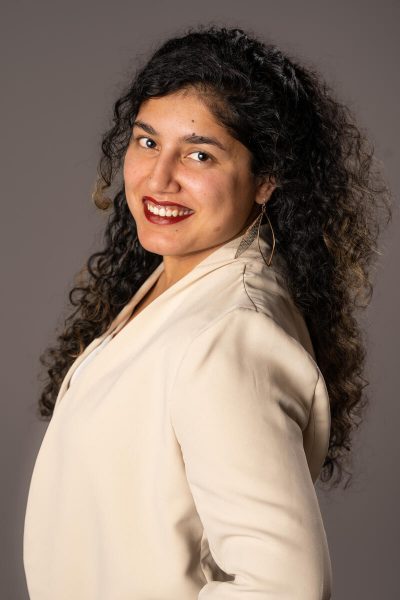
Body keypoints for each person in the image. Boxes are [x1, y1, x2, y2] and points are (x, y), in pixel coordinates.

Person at [23, 25, 391, 600]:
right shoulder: (180, 288)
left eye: (200, 154)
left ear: (265, 179)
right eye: (147, 142)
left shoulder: (230, 333)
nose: (159, 178)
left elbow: (282, 588)